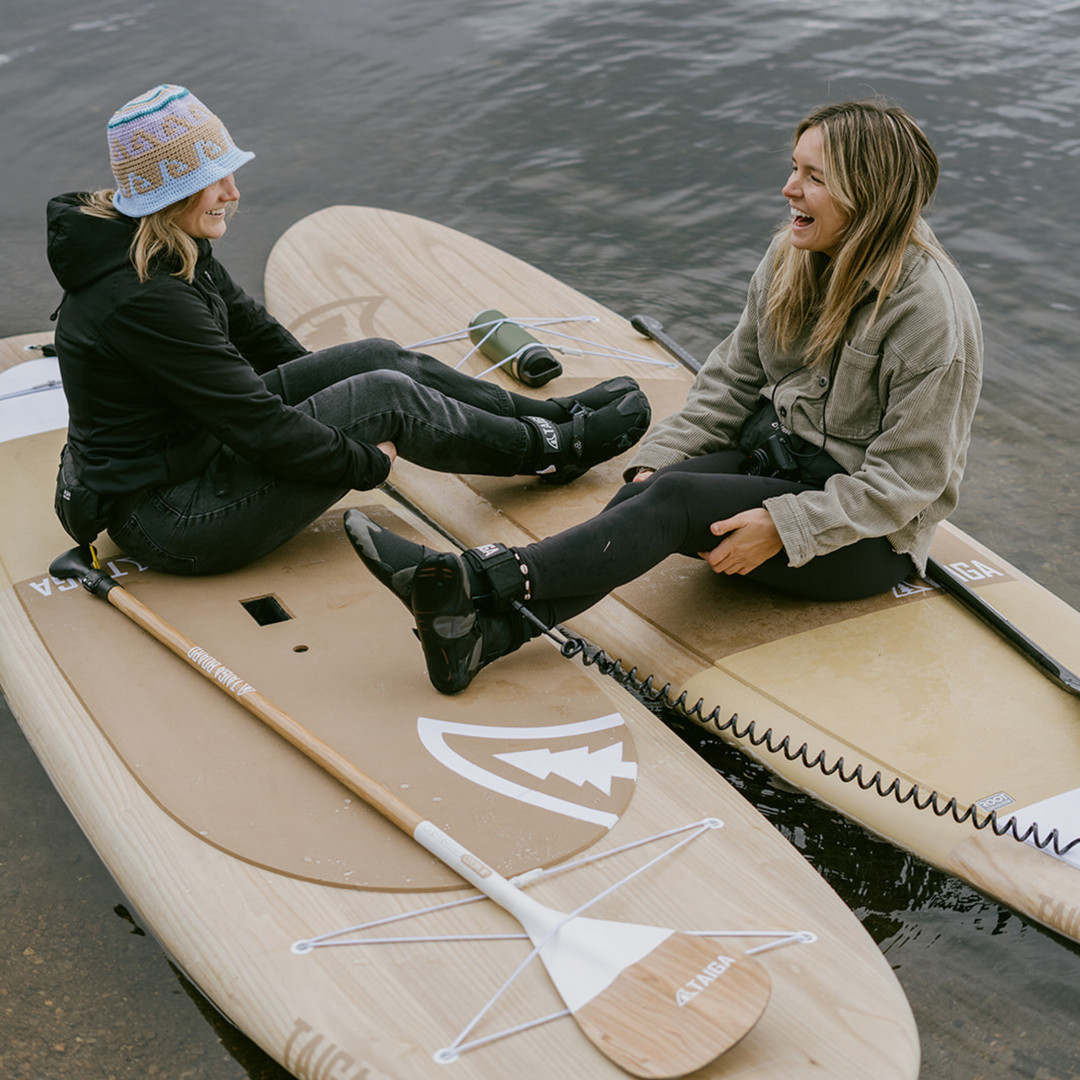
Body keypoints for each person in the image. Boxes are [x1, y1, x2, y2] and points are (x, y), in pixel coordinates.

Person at [345, 99, 984, 695]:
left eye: (812, 177)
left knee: (672, 502)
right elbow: (734, 376)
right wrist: (667, 455)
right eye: (794, 168)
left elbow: (910, 479)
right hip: (780, 463)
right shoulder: (793, 251)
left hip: (865, 539)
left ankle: (476, 581)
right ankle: (486, 633)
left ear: (866, 195)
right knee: (647, 490)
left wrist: (785, 527)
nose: (788, 189)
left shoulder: (929, 313)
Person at [46, 84, 650, 575]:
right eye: (215, 178)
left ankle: (542, 419)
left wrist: (337, 399)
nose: (234, 191)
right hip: (172, 517)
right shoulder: (145, 298)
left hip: (196, 452)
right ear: (169, 191)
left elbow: (259, 336)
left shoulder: (167, 243)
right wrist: (361, 461)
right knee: (383, 397)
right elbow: (254, 422)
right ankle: (552, 453)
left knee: (378, 357)